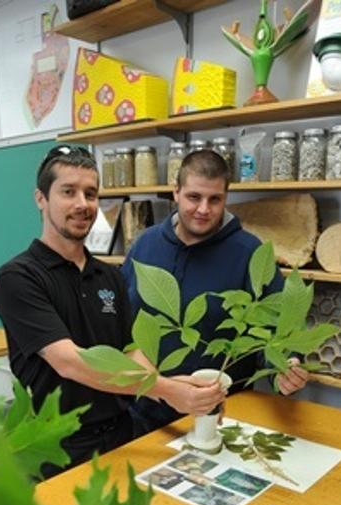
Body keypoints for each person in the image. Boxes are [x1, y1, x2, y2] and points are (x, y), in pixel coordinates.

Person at [0, 145, 225, 478]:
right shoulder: (18, 277)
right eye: (68, 192)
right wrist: (168, 390)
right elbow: (69, 361)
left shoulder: (109, 275)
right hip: (54, 447)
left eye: (90, 193)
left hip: (120, 436)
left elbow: (131, 351)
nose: (82, 204)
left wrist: (171, 387)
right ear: (40, 198)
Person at [121, 149, 309, 436]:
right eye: (194, 197)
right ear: (176, 192)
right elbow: (121, 324)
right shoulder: (145, 246)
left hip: (219, 416)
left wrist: (286, 365)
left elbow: (279, 329)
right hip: (143, 412)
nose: (203, 209)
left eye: (215, 199)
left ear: (226, 198)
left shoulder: (249, 253)